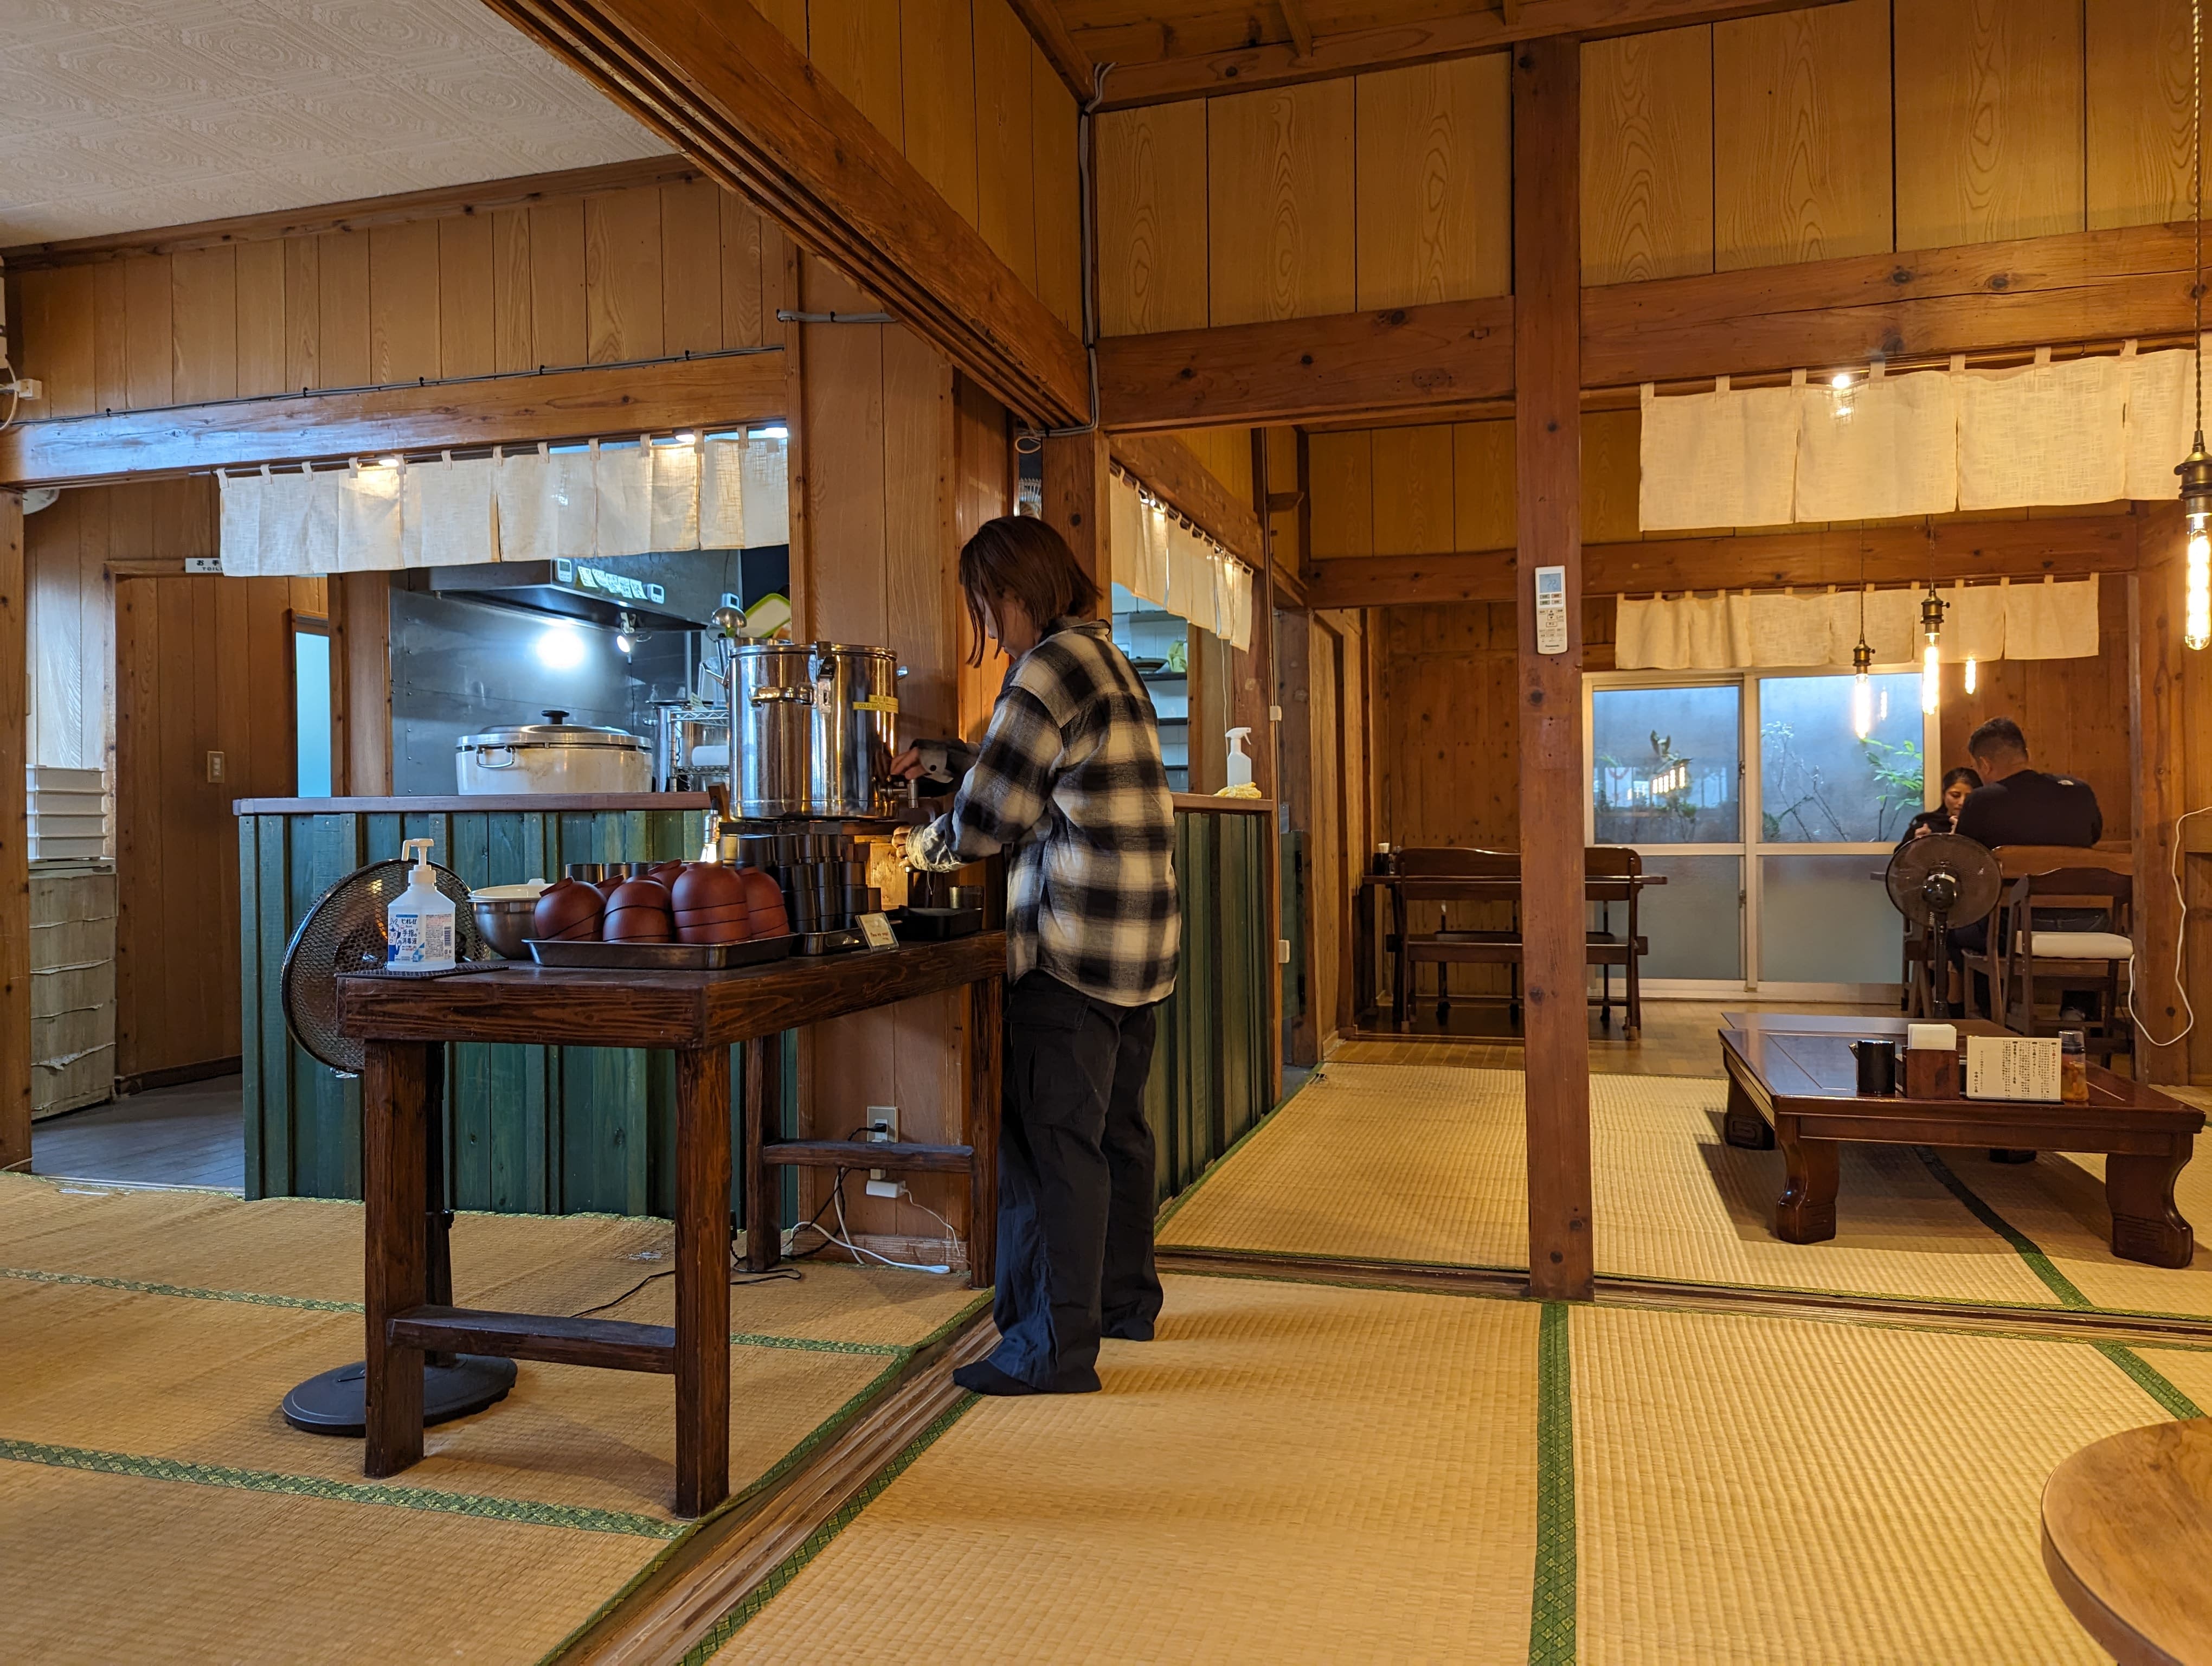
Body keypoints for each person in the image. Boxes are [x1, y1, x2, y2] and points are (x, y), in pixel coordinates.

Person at [893, 516, 1179, 1398]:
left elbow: (992, 819)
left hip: (1071, 950)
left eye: (986, 607)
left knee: (1053, 1149)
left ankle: (1049, 1349)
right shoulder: (1105, 657)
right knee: (1114, 1138)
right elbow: (1038, 773)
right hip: (1138, 949)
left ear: (1013, 595)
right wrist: (952, 762)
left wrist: (915, 850)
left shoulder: (1046, 666)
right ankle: (1122, 1303)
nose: (989, 627)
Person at [1951, 717, 2102, 849]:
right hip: (2077, 875)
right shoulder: (2081, 791)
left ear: (1985, 765)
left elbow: (1964, 858)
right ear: (2028, 755)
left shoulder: (1980, 801)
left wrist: (1957, 836)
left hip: (2009, 876)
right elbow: (2095, 837)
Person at [1896, 766, 1983, 849]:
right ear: (1944, 795)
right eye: (1955, 795)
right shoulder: (1925, 826)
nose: (1962, 802)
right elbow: (1899, 858)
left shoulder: (1983, 827)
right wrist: (1917, 844)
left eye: (1969, 797)